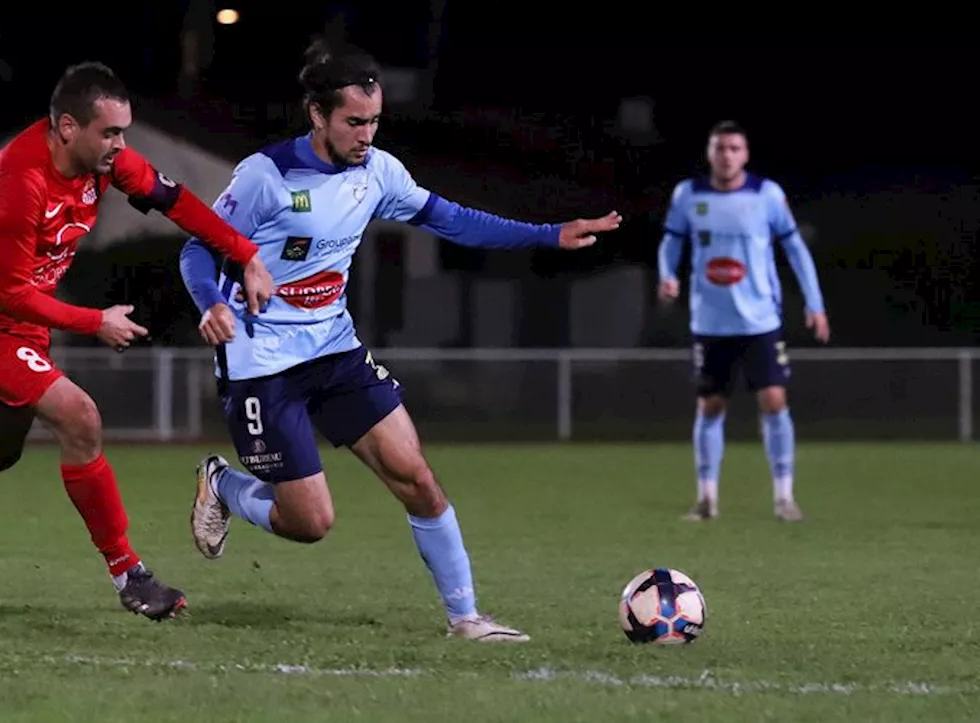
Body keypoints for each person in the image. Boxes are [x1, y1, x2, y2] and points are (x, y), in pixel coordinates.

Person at [178, 40, 622, 642]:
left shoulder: (378, 172)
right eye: (354, 122)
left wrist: (547, 234)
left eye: (375, 121)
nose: (366, 135)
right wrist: (210, 304)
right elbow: (198, 247)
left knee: (416, 476)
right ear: (317, 115)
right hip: (260, 360)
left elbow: (450, 218)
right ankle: (223, 483)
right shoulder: (267, 177)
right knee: (310, 523)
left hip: (333, 348)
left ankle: (466, 619)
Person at [0, 61, 275, 621]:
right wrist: (92, 321)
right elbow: (8, 294)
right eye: (110, 133)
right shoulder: (18, 181)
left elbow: (177, 202)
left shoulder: (104, 163)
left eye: (123, 132)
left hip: (22, 321)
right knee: (81, 418)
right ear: (68, 127)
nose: (120, 146)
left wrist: (245, 253)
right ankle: (131, 575)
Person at [657, 120, 829, 523]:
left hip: (759, 319)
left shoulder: (766, 195)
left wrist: (814, 303)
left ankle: (785, 497)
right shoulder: (688, 195)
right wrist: (667, 274)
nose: (727, 155)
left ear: (745, 154)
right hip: (710, 321)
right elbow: (670, 241)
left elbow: (796, 250)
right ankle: (706, 499)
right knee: (711, 405)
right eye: (720, 148)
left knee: (773, 400)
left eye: (734, 148)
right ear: (710, 153)